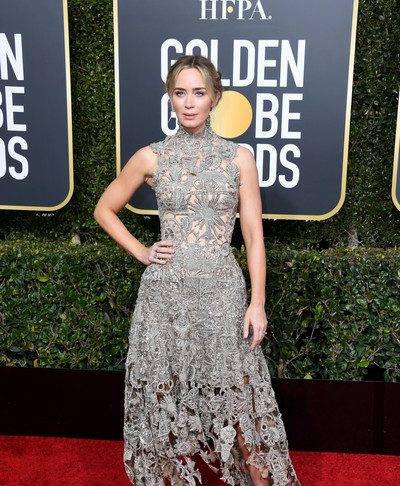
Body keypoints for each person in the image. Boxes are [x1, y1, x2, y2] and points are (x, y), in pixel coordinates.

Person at [94, 54, 300, 486]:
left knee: (241, 402)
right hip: (165, 294)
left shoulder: (239, 158)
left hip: (223, 293)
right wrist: (142, 251)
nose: (189, 103)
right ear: (170, 98)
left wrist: (257, 303)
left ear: (215, 98)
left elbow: (254, 237)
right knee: (164, 400)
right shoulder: (151, 157)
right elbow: (104, 208)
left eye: (199, 93)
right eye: (180, 93)